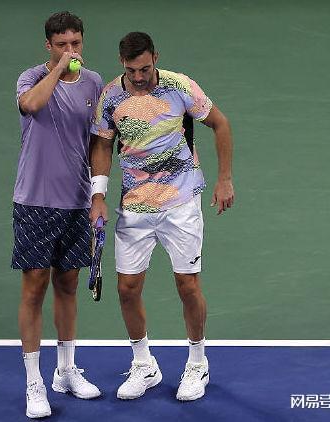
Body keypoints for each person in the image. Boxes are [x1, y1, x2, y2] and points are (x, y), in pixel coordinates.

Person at [89, 31, 234, 402]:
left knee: (188, 286)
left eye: (145, 69)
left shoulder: (179, 86)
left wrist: (224, 179)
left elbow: (220, 123)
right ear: (122, 64)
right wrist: (98, 195)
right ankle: (144, 365)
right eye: (131, 71)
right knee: (127, 289)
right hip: (134, 207)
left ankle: (198, 363)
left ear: (155, 57)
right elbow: (102, 145)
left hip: (181, 204)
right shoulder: (111, 96)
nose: (139, 77)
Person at [13, 11, 103, 418]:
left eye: (76, 43)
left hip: (77, 201)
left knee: (68, 285)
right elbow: (32, 105)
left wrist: (97, 195)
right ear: (48, 45)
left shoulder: (94, 83)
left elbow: (97, 142)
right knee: (34, 287)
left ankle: (65, 371)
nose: (71, 50)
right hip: (35, 200)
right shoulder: (31, 78)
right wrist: (58, 70)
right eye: (63, 44)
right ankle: (34, 383)